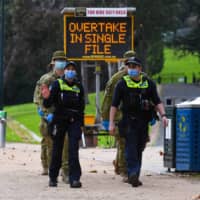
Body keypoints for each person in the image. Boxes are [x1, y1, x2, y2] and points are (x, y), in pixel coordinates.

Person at [109, 57, 168, 187]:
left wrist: (163, 115)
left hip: (143, 121)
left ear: (140, 68)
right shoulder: (122, 83)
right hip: (128, 121)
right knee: (131, 147)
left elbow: (157, 101)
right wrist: (111, 123)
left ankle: (135, 174)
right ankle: (132, 173)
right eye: (129, 67)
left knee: (139, 148)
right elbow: (114, 105)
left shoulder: (148, 83)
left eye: (134, 67)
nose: (131, 69)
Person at [41, 61, 85, 188]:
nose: (70, 71)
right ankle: (53, 177)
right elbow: (48, 104)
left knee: (73, 150)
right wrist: (46, 97)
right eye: (68, 69)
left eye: (72, 69)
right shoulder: (57, 84)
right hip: (60, 120)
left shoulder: (79, 86)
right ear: (64, 71)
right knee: (57, 149)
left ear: (75, 72)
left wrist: (81, 124)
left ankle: (75, 179)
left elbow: (81, 107)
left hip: (74, 121)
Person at [33, 50, 69, 183]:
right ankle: (47, 166)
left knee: (64, 143)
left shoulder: (68, 79)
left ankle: (63, 169)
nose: (61, 63)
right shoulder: (47, 79)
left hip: (63, 117)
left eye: (63, 60)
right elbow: (39, 100)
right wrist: (46, 114)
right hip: (49, 117)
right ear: (53, 63)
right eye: (58, 60)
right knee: (49, 144)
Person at [101, 50, 136, 180]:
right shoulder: (116, 79)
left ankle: (119, 165)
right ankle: (124, 170)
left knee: (130, 143)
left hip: (135, 116)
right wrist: (106, 119)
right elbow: (108, 100)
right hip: (119, 116)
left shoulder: (141, 77)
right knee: (123, 142)